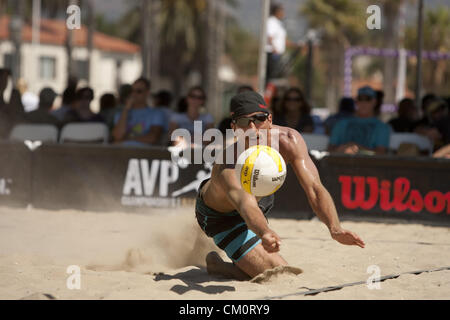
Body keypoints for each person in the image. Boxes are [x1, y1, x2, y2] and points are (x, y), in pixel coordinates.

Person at [197, 91, 365, 280]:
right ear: (234, 127)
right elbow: (246, 205)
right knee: (280, 275)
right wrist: (265, 232)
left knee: (273, 272)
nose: (253, 129)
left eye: (258, 119)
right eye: (244, 122)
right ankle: (223, 267)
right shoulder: (229, 163)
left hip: (259, 202)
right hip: (221, 218)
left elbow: (314, 188)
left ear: (269, 118)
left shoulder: (288, 139)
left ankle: (236, 262)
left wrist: (335, 228)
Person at [328, 86, 391, 155]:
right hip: (341, 164)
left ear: (374, 102)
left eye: (368, 99)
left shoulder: (382, 127)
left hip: (368, 165)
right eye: (360, 99)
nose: (363, 102)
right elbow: (329, 150)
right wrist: (341, 149)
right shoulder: (341, 124)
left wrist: (358, 148)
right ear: (356, 101)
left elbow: (381, 153)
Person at [112, 77, 165, 147]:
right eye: (131, 91)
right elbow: (118, 136)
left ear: (147, 93)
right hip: (122, 153)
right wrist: (126, 109)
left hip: (144, 154)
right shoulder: (121, 114)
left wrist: (127, 138)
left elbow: (153, 138)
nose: (134, 94)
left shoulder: (156, 113)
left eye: (139, 91)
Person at [266, 3, 298, 83]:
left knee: (276, 77)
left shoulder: (278, 23)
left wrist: (297, 45)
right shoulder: (271, 22)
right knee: (271, 77)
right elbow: (269, 37)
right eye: (282, 11)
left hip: (277, 54)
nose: (283, 13)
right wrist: (275, 50)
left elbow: (282, 41)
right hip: (272, 54)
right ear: (276, 11)